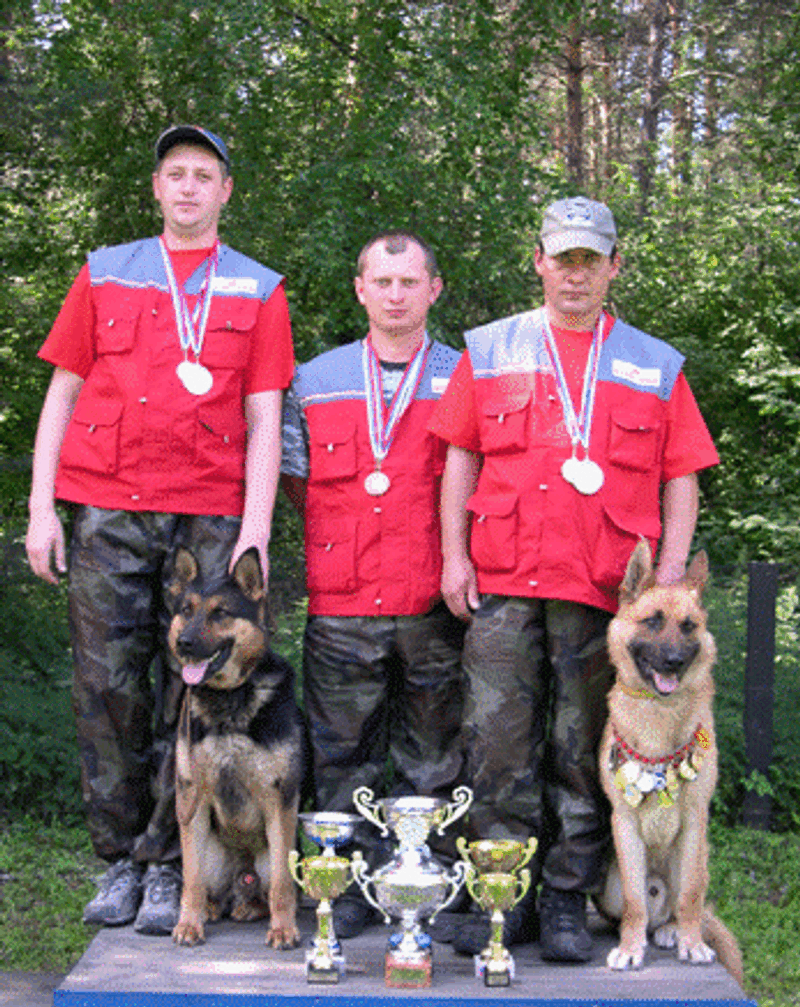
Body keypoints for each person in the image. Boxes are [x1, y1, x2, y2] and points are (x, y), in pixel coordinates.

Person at [427, 197, 719, 962]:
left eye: (591, 260)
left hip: (604, 593)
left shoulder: (654, 363)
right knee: (496, 746)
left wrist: (669, 579)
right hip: (504, 582)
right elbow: (461, 456)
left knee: (584, 749)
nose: (575, 274)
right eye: (563, 259)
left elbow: (681, 475)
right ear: (540, 262)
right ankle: (506, 894)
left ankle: (565, 895)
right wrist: (454, 556)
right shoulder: (493, 348)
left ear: (614, 267)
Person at [25, 125, 293, 935]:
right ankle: (119, 860)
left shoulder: (257, 288)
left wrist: (255, 531)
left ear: (225, 191)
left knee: (196, 687)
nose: (188, 187)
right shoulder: (106, 271)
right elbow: (63, 391)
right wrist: (41, 507)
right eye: (175, 173)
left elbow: (265, 417)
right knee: (107, 685)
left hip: (208, 510)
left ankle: (172, 862)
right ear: (156, 187)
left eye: (204, 175)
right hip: (108, 503)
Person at [281, 230, 466, 937]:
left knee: (435, 757)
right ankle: (348, 884)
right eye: (382, 283)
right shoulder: (314, 379)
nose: (395, 296)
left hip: (431, 601)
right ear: (360, 289)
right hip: (343, 599)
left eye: (409, 282)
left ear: (433, 290)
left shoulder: (465, 376)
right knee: (340, 756)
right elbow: (297, 480)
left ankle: (429, 881)